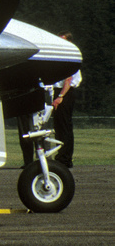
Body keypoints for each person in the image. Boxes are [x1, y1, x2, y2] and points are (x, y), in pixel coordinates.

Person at [51, 33, 80, 166]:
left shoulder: (70, 57)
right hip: (58, 91)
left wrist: (60, 97)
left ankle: (65, 158)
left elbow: (68, 80)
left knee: (64, 125)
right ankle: (62, 155)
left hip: (65, 92)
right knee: (59, 125)